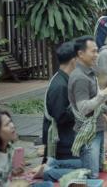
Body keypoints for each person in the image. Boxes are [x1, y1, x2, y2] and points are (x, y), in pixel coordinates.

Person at [68, 36, 107, 179]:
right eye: (94, 51)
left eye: (97, 51)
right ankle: (52, 169)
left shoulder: (89, 72)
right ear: (80, 54)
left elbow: (95, 102)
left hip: (96, 128)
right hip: (88, 133)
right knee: (92, 174)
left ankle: (56, 166)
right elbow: (83, 108)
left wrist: (106, 110)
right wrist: (105, 93)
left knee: (97, 169)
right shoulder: (79, 77)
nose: (97, 55)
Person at [42, 41, 83, 182]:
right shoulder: (59, 85)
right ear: (74, 60)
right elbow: (61, 117)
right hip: (62, 144)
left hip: (69, 140)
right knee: (88, 170)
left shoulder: (66, 80)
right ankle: (49, 170)